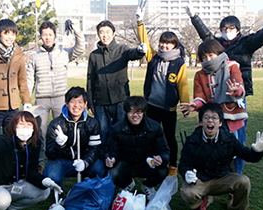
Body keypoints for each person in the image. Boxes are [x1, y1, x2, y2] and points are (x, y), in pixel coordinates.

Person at [185, 7, 263, 173]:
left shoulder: (244, 44)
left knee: (236, 138)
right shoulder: (215, 47)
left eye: (230, 29)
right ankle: (213, 175)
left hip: (236, 96)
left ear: (237, 29)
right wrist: (194, 17)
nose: (226, 32)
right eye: (223, 29)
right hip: (213, 101)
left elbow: (261, 36)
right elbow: (205, 36)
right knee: (212, 136)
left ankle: (236, 176)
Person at [178, 102, 263, 210]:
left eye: (214, 118)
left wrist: (258, 151)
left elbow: (248, 156)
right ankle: (200, 204)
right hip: (201, 179)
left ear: (220, 122)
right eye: (206, 117)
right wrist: (186, 173)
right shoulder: (192, 141)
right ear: (201, 122)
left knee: (243, 181)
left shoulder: (229, 139)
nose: (210, 121)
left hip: (222, 177)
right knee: (187, 192)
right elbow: (183, 164)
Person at [180, 39, 247, 172]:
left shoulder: (232, 66)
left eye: (211, 55)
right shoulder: (200, 74)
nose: (208, 59)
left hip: (231, 115)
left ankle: (236, 178)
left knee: (237, 149)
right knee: (209, 148)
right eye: (204, 57)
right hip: (212, 117)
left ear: (218, 52)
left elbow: (239, 83)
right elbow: (200, 96)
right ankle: (208, 180)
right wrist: (195, 105)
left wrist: (237, 90)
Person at [26, 19, 85, 171]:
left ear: (54, 36)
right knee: (39, 133)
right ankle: (39, 161)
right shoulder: (35, 56)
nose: (47, 37)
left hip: (61, 98)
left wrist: (77, 31)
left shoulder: (64, 54)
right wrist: (27, 101)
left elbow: (80, 48)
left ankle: (66, 157)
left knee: (64, 130)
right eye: (44, 35)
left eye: (50, 34)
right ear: (41, 37)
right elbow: (29, 79)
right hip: (42, 99)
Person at [136, 7, 189, 168]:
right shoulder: (153, 57)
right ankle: (151, 163)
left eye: (169, 43)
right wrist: (140, 21)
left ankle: (172, 166)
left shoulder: (179, 63)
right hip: (151, 105)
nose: (165, 45)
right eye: (163, 42)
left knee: (169, 137)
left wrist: (185, 106)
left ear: (175, 45)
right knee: (150, 135)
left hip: (168, 108)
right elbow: (144, 40)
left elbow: (183, 85)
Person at [87, 20, 147, 157]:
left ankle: (120, 160)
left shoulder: (122, 49)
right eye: (101, 32)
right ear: (98, 34)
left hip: (120, 99)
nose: (105, 35)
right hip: (100, 101)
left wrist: (140, 51)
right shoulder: (94, 55)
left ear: (113, 34)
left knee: (121, 131)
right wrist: (90, 102)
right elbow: (90, 79)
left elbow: (133, 54)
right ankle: (104, 161)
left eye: (108, 32)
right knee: (103, 132)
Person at [106, 96, 170, 200]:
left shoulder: (155, 127)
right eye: (131, 111)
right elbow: (113, 151)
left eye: (139, 112)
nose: (135, 115)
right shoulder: (117, 128)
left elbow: (164, 150)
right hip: (126, 163)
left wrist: (161, 159)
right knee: (112, 173)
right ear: (126, 112)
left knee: (163, 171)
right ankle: (126, 184)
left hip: (147, 163)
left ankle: (148, 185)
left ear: (144, 112)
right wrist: (111, 159)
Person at [43, 87, 106, 189]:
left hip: (83, 159)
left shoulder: (92, 123)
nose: (76, 106)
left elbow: (95, 149)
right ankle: (59, 193)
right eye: (72, 102)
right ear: (66, 103)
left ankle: (90, 190)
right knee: (51, 176)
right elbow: (50, 153)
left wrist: (85, 162)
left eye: (80, 102)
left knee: (100, 169)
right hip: (62, 160)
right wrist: (59, 145)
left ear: (85, 104)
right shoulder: (56, 124)